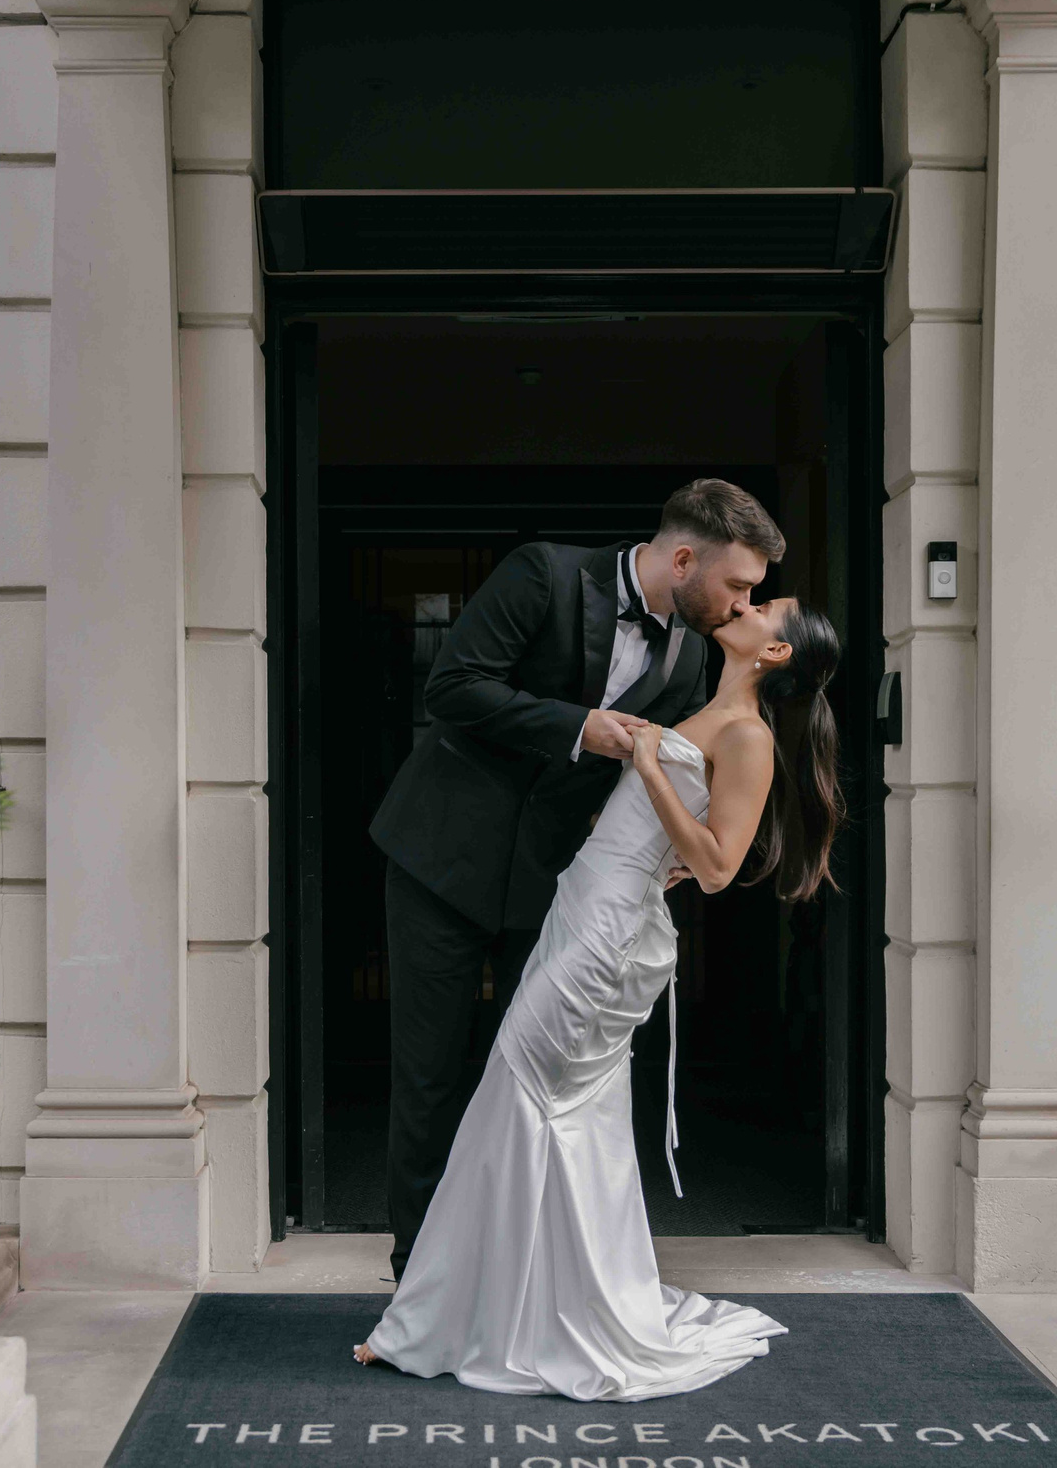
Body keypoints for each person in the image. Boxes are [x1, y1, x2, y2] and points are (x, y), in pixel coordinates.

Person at [354, 593, 845, 1401]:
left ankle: (450, 1320)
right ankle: (491, 1314)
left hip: (608, 939)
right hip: (581, 908)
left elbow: (719, 869)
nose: (748, 605)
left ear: (777, 653)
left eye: (768, 607)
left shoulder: (749, 734)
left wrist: (650, 769)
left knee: (519, 1097)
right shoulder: (703, 707)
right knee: (542, 1113)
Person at [368, 479, 784, 1284]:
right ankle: (416, 1284)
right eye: (737, 585)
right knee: (428, 1076)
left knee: (528, 1083)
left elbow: (666, 772)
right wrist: (576, 727)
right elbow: (450, 688)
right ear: (686, 556)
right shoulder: (544, 575)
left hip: (555, 886)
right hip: (439, 862)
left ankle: (518, 1277)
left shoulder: (694, 650)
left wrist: (655, 855)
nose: (742, 604)